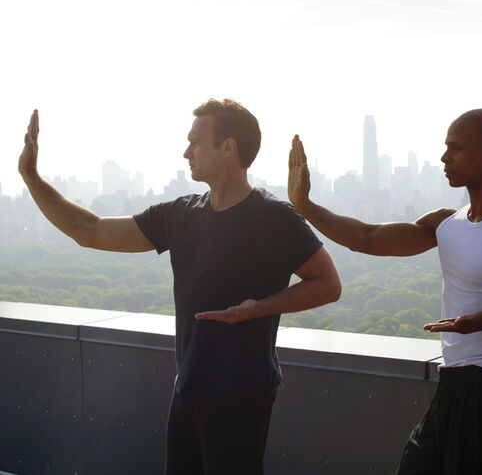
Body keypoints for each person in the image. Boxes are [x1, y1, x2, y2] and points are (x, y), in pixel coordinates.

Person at [18, 101, 342, 475]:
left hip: (242, 394)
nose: (185, 152)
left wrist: (258, 308)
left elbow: (328, 284)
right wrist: (30, 176)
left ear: (228, 147)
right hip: (187, 386)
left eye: (195, 142)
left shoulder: (275, 218)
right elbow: (89, 231)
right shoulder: (180, 214)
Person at [288, 108, 482, 475]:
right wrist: (305, 206)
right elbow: (366, 238)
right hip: (453, 383)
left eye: (456, 148)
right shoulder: (446, 224)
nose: (444, 158)